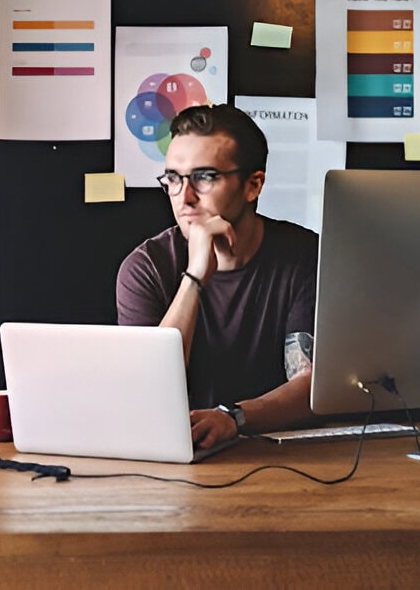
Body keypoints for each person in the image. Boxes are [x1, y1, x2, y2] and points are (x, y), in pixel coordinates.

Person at [116, 104, 319, 451]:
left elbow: (312, 385)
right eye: (174, 178)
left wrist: (233, 417)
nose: (184, 197)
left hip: (287, 453)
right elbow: (146, 389)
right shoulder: (146, 267)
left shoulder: (304, 256)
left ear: (253, 185)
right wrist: (194, 278)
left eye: (204, 177)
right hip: (177, 453)